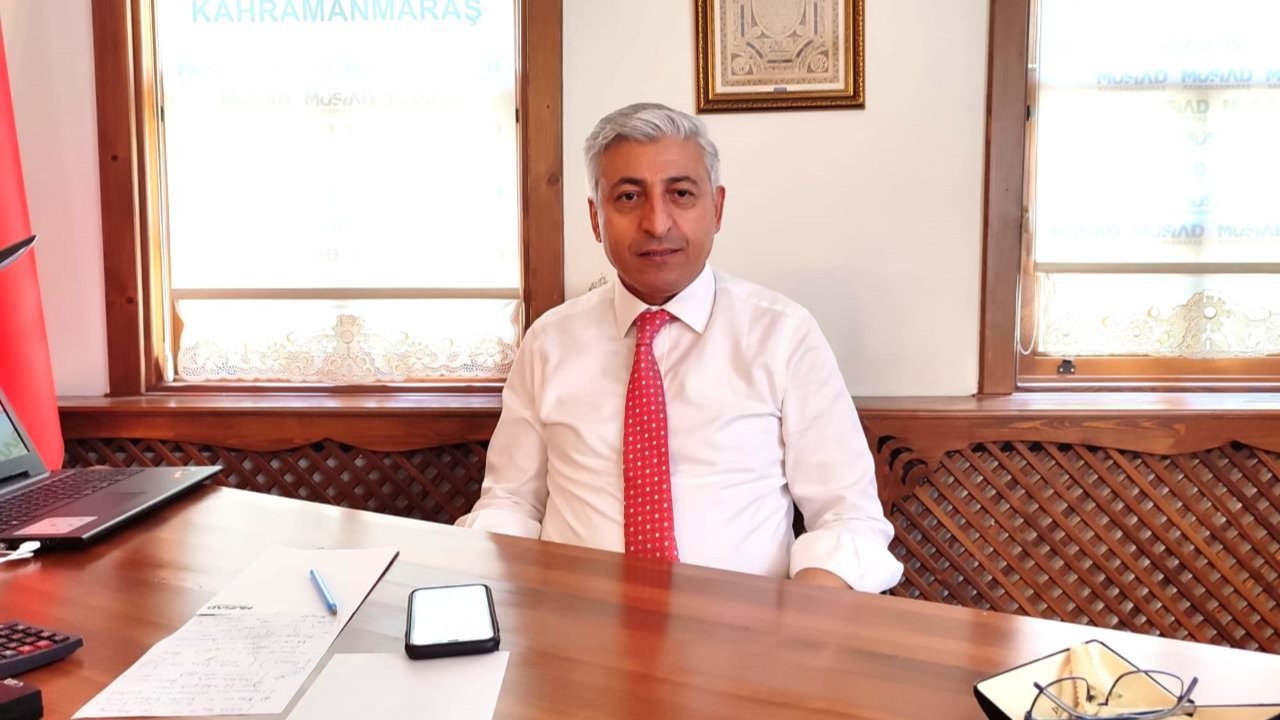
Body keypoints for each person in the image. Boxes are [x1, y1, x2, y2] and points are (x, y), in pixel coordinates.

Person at [457, 102, 903, 592]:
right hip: (575, 620)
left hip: (742, 627)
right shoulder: (549, 341)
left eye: (681, 194)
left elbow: (848, 516)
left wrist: (797, 622)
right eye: (629, 196)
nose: (657, 223)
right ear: (595, 217)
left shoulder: (783, 335)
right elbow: (511, 502)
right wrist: (476, 587)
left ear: (717, 209)